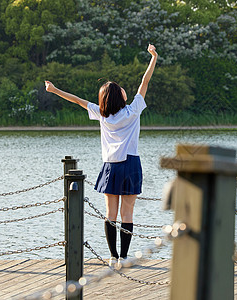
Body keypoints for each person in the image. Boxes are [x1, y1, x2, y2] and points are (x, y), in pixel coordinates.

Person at [45, 44, 158, 266]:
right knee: (128, 214)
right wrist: (153, 57)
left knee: (110, 214)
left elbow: (76, 99)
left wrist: (54, 90)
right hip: (131, 163)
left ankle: (112, 256)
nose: (125, 90)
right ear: (120, 96)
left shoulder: (101, 113)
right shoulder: (133, 110)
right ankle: (124, 257)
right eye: (121, 89)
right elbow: (145, 82)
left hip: (110, 166)